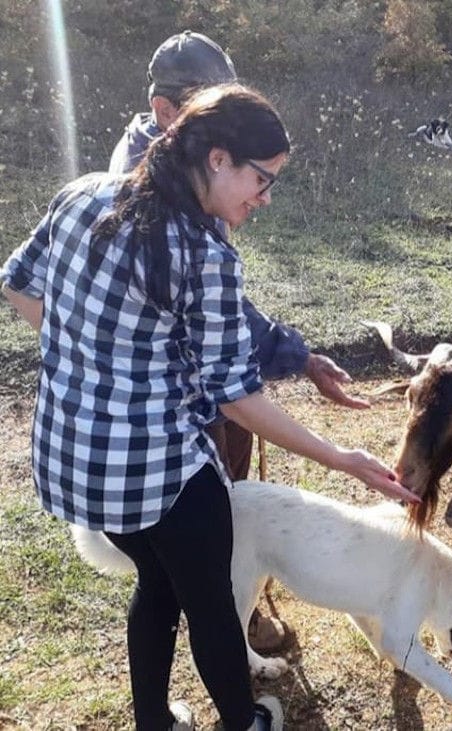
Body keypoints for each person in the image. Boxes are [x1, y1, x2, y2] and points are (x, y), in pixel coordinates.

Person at [1, 83, 420, 731]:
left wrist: (86, 355)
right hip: (160, 471)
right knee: (212, 604)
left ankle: (154, 721)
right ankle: (242, 719)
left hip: (72, 461)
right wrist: (343, 457)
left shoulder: (81, 193)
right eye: (263, 178)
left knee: (158, 584)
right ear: (218, 159)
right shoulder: (204, 250)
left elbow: (17, 282)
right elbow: (237, 397)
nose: (266, 196)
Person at [110, 30, 360, 654]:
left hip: (175, 378)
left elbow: (215, 307)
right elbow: (209, 322)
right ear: (165, 112)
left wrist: (294, 354)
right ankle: (228, 614)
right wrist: (334, 447)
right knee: (209, 508)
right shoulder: (152, 181)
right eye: (200, 106)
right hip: (169, 404)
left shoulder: (184, 165)